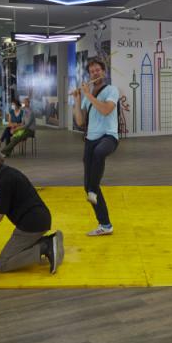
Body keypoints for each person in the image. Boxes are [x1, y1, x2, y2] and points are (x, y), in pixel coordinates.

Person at [0, 141, 63, 274]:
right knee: (17, 252)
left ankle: (45, 246)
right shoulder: (7, 174)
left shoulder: (5, 181)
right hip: (40, 219)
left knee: (3, 263)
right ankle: (49, 241)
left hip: (31, 225)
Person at [71, 58, 119, 236]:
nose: (95, 73)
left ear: (103, 72)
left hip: (108, 137)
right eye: (92, 71)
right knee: (88, 186)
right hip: (90, 140)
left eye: (98, 70)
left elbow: (106, 110)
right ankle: (105, 225)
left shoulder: (111, 90)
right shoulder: (88, 94)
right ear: (89, 75)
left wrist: (88, 95)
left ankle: (92, 189)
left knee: (99, 153)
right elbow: (80, 121)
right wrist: (78, 100)